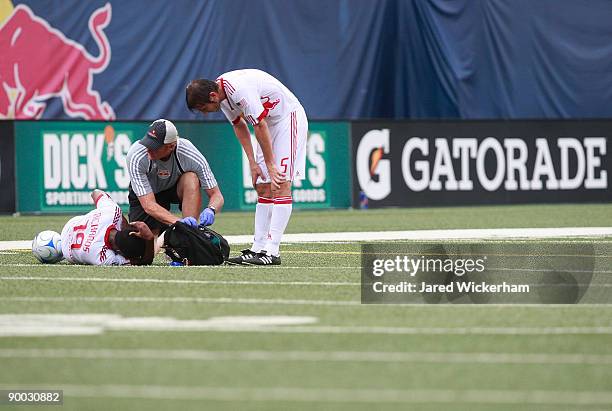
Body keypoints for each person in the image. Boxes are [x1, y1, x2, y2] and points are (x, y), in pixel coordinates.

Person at [186, 69, 308, 266]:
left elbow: (258, 125)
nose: (204, 112)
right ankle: (258, 248)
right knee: (262, 186)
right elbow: (239, 125)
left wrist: (270, 164)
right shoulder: (222, 97)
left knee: (281, 183)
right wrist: (252, 163)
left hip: (287, 118)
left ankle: (272, 251)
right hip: (268, 124)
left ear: (212, 96)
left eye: (203, 107)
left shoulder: (238, 90)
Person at [126, 119, 224, 235]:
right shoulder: (136, 155)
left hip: (173, 187)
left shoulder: (189, 153)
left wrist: (211, 209)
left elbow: (216, 195)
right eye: (148, 142)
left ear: (171, 146)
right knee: (143, 242)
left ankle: (189, 235)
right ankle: (184, 229)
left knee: (191, 178)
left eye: (155, 146)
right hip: (146, 194)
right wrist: (180, 223)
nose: (148, 148)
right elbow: (149, 205)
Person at [60, 189, 154, 265]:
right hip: (67, 249)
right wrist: (150, 239)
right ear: (118, 251)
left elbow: (95, 192)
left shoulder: (112, 211)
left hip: (72, 224)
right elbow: (145, 262)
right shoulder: (104, 257)